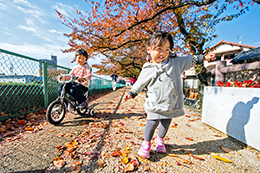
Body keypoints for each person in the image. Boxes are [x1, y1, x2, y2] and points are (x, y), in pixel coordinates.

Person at [124, 31, 216, 159]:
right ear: (149, 50)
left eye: (167, 50)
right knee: (152, 122)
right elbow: (140, 83)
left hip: (170, 102)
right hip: (155, 102)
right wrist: (131, 93)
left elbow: (189, 59)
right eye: (159, 49)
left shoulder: (175, 62)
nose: (163, 53)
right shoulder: (148, 67)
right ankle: (146, 143)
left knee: (166, 122)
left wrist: (204, 58)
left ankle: (160, 139)